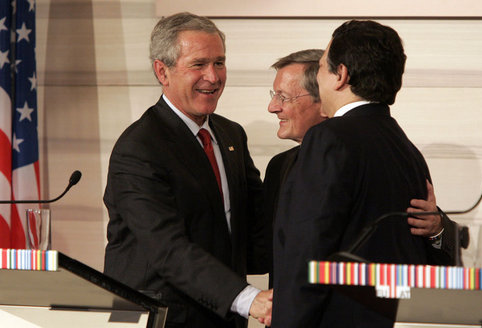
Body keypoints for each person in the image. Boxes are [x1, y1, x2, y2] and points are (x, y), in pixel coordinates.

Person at [271, 20, 456, 328]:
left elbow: (309, 252)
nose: (318, 76)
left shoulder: (329, 138)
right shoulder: (406, 149)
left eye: (320, 67)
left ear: (340, 75)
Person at [103, 13, 271, 328]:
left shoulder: (230, 134)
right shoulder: (139, 148)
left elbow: (256, 229)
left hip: (223, 316)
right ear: (162, 71)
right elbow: (167, 249)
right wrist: (249, 298)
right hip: (161, 317)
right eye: (199, 64)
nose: (213, 76)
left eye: (219, 62)